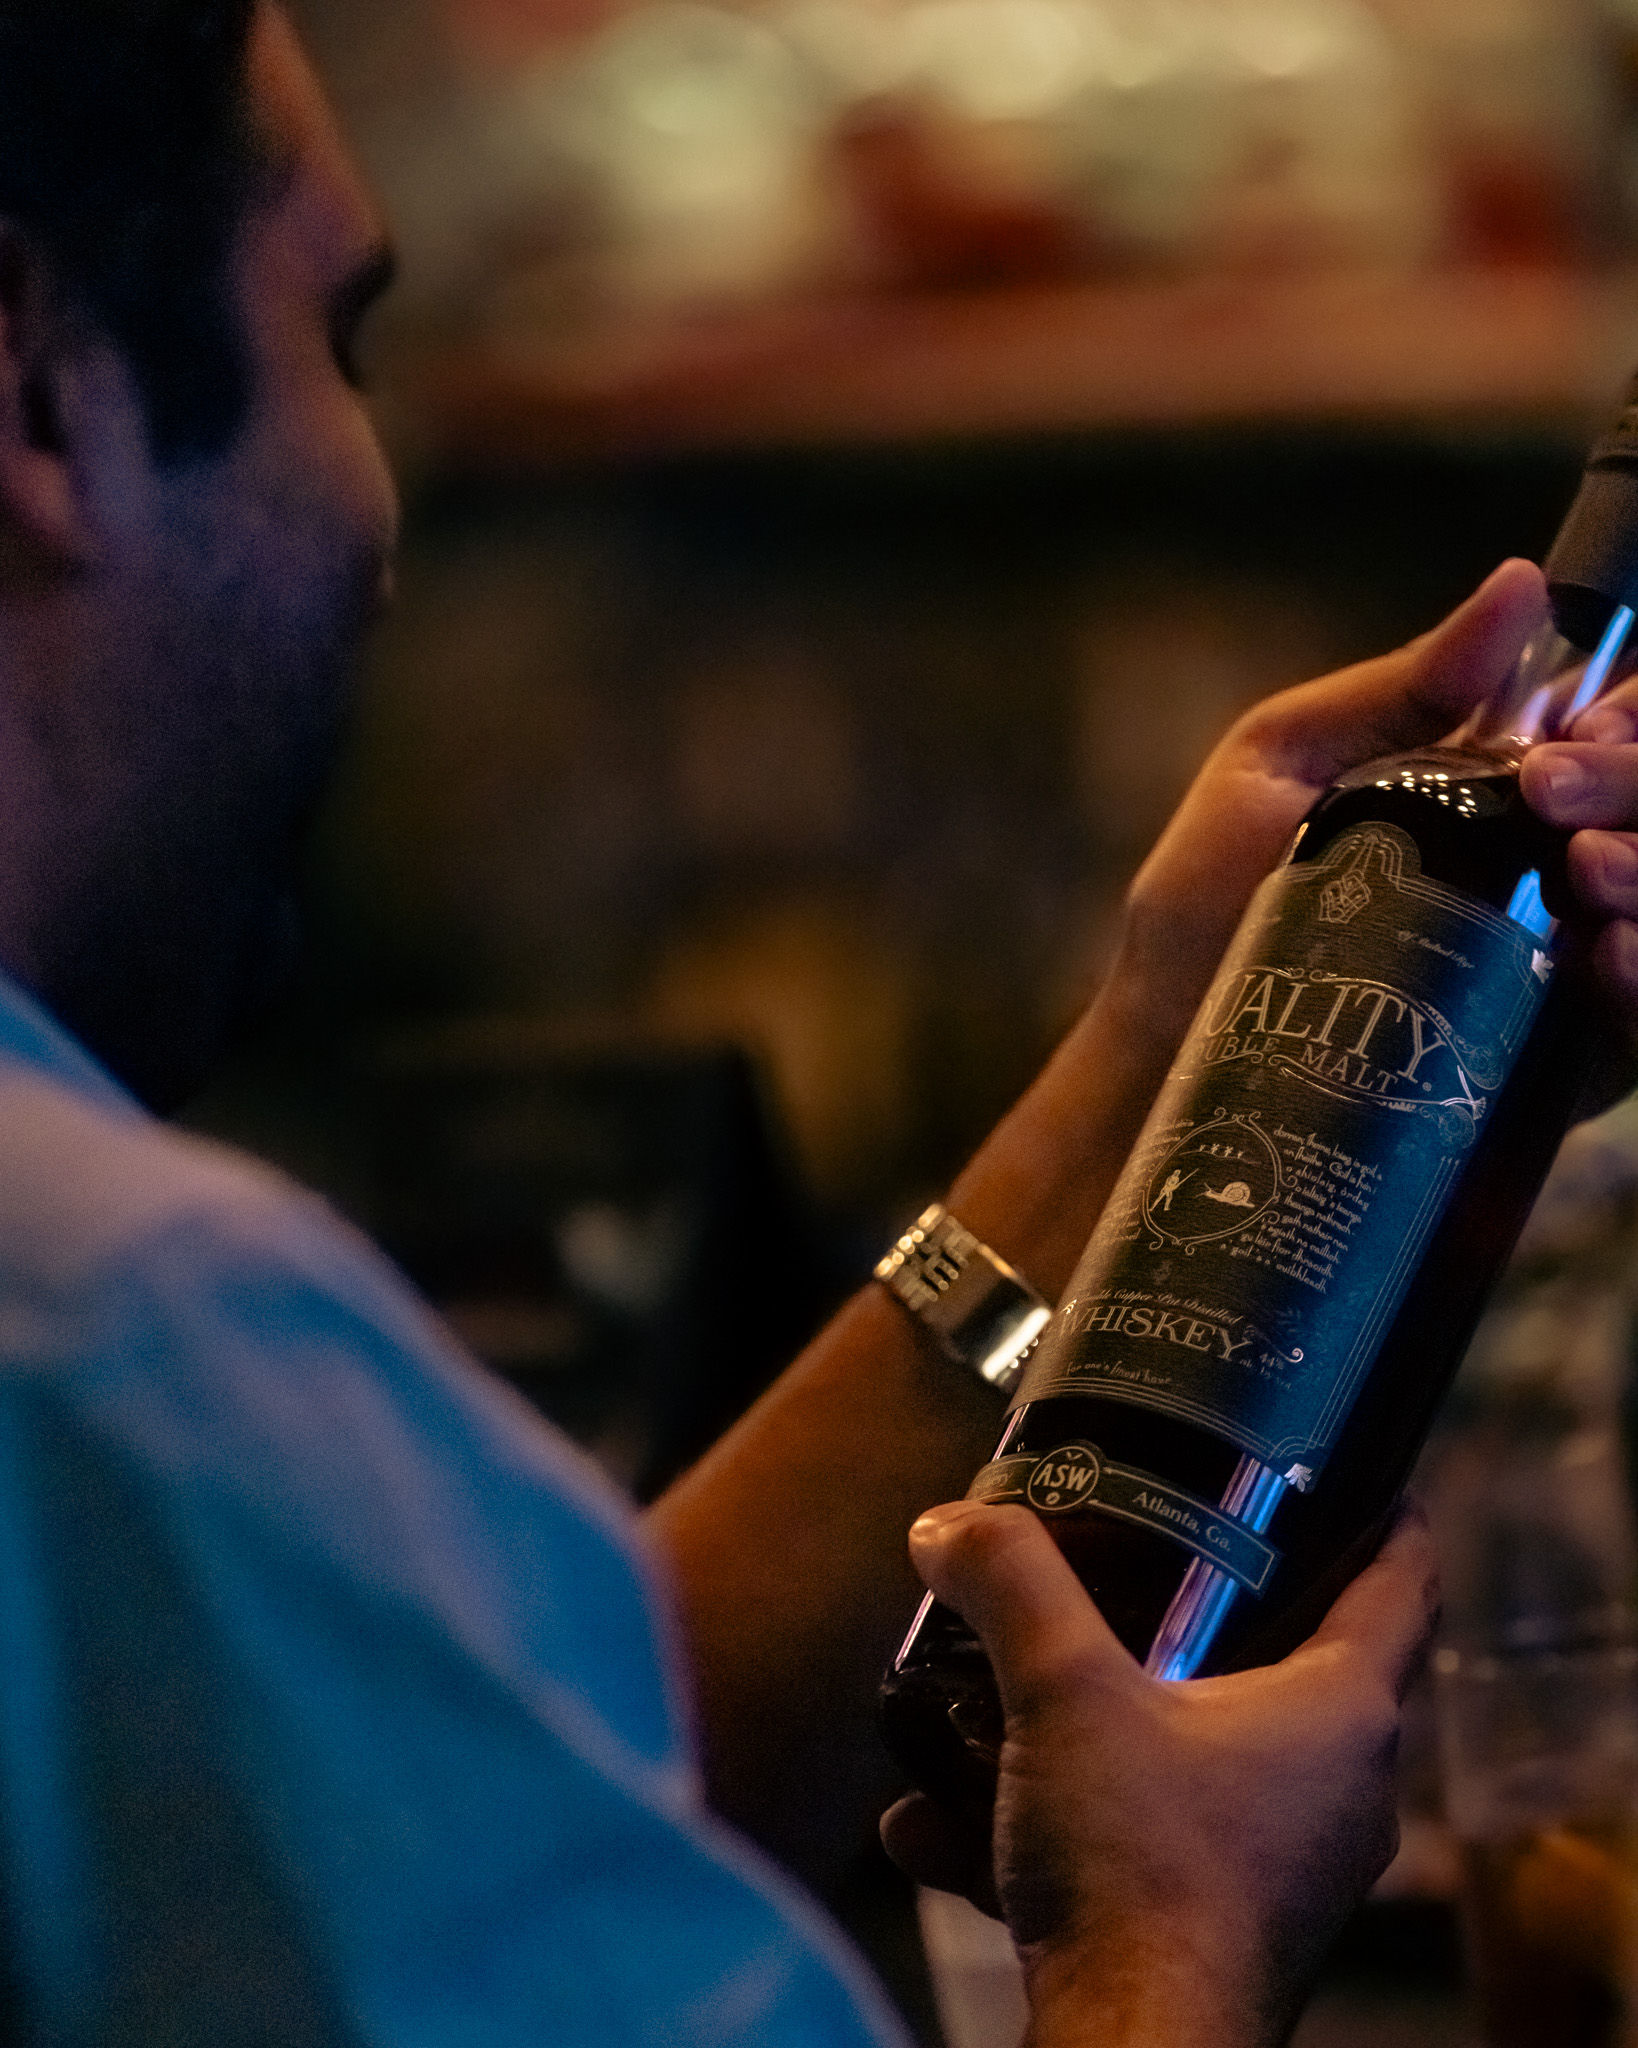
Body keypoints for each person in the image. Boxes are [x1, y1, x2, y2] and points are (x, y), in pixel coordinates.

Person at [3, 4, 1638, 2042]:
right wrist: (1168, 1944)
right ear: (39, 399)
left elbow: (552, 1821)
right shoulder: (122, 1339)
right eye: (338, 350)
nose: (385, 530)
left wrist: (1162, 1046)